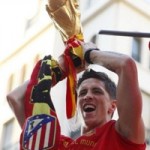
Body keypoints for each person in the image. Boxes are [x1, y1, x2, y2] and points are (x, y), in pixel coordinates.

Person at [7, 42, 146, 149]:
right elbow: (15, 98)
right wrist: (63, 67)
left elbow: (126, 65)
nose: (87, 96)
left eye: (97, 91)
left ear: (113, 106)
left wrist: (89, 54)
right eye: (83, 93)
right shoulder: (59, 144)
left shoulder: (123, 135)